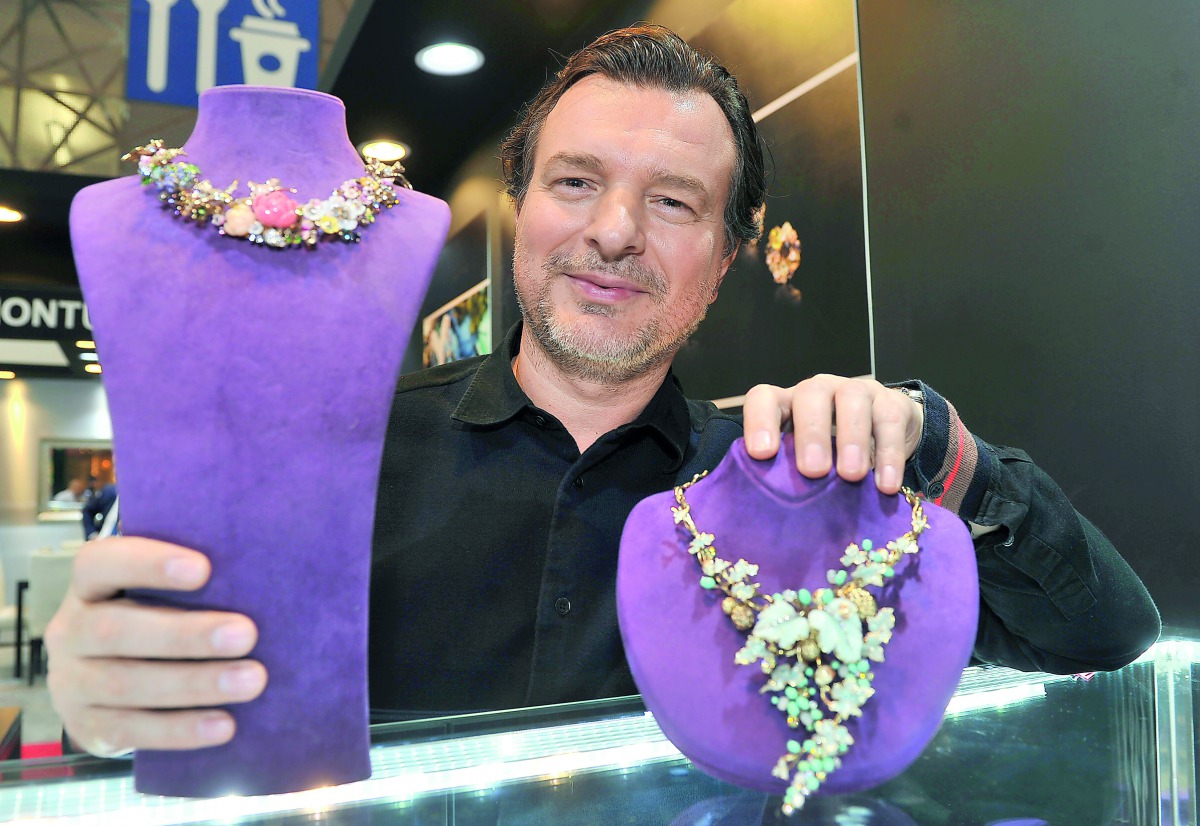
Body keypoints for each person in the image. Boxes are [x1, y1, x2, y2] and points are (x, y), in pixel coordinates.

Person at [45, 26, 1159, 757]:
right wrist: (104, 699)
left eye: (675, 204)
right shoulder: (343, 457)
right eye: (576, 184)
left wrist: (933, 441)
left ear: (725, 263)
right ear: (521, 210)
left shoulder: (803, 489)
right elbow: (193, 705)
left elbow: (1104, 634)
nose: (614, 233)